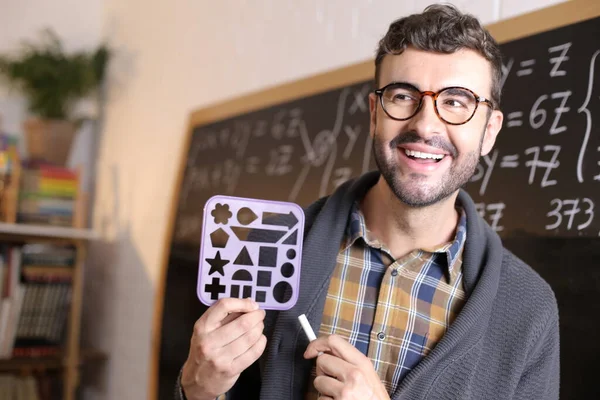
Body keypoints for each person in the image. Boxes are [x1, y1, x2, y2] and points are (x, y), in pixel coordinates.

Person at [175, 4, 560, 400]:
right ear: (375, 113)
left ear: (490, 130)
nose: (425, 125)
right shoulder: (267, 249)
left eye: (456, 102)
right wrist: (197, 388)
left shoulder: (529, 309)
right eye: (403, 96)